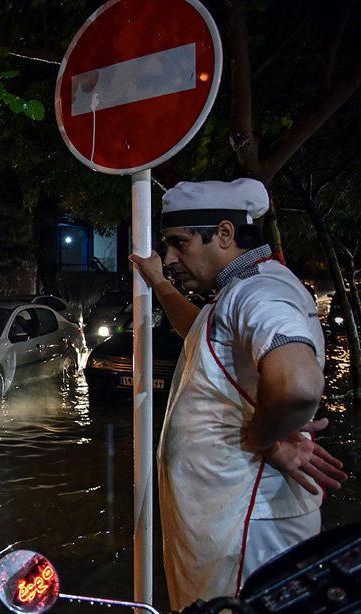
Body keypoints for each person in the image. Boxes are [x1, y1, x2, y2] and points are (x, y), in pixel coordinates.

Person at [129, 178, 347, 609]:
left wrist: (264, 439)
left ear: (225, 235)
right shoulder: (242, 289)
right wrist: (159, 283)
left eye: (179, 243)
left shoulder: (258, 291)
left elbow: (298, 385)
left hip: (248, 526)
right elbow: (199, 332)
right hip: (229, 520)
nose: (170, 258)